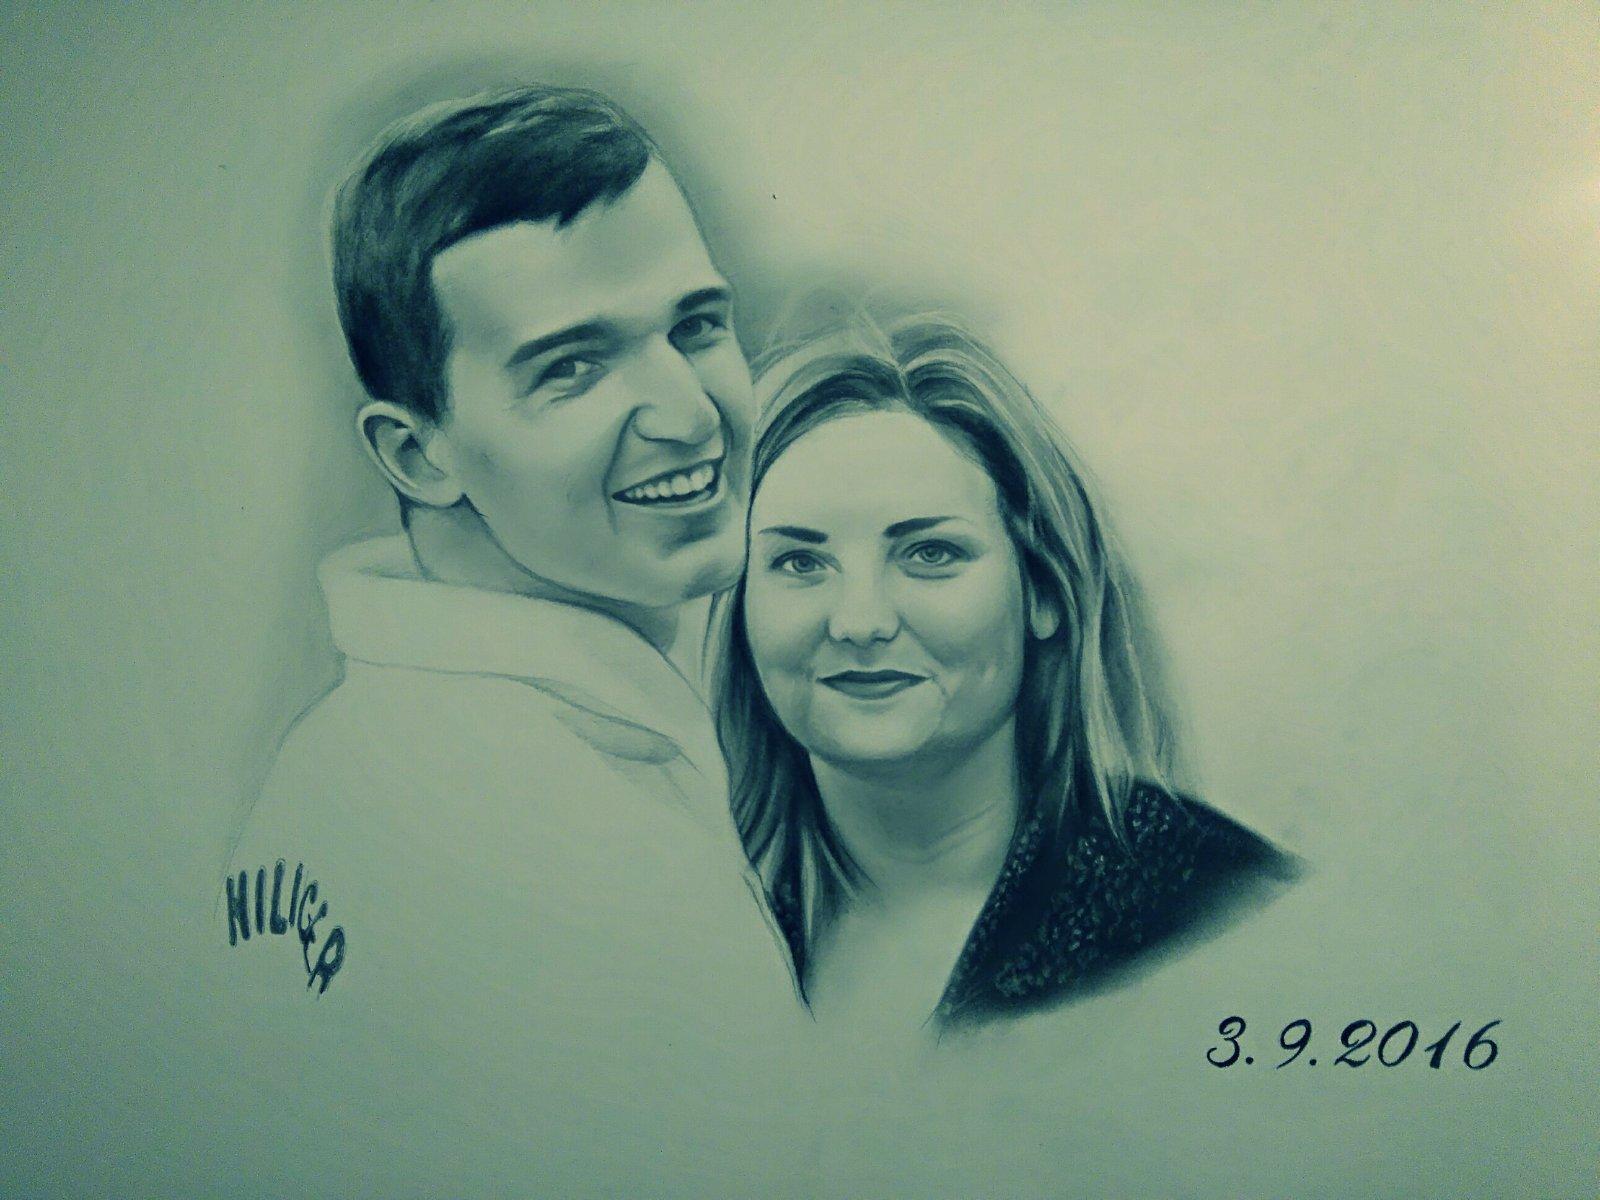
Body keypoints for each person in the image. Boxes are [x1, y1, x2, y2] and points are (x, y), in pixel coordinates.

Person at [216, 86, 808, 1195]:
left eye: (697, 326)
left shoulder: (343, 749)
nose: (690, 412)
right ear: (416, 452)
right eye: (572, 366)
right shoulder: (566, 846)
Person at [711, 314, 1301, 1035]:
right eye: (800, 562)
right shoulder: (676, 921)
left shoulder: (1227, 913)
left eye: (930, 554)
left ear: (1044, 591)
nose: (859, 621)